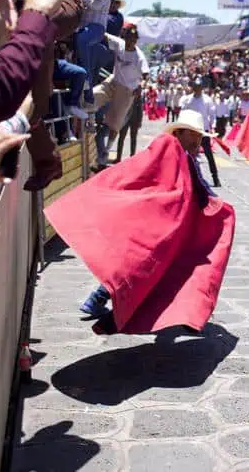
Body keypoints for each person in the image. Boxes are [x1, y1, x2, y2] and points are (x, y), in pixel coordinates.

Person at [76, 109, 225, 322]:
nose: (197, 140)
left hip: (146, 216)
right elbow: (202, 192)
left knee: (131, 262)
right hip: (159, 222)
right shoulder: (180, 156)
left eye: (200, 135)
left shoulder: (160, 149)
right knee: (142, 265)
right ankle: (108, 303)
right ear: (180, 134)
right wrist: (218, 206)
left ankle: (99, 300)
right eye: (193, 134)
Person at [90, 23, 148, 168]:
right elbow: (104, 35)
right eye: (129, 39)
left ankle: (106, 152)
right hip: (113, 81)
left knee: (114, 124)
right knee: (91, 96)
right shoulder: (119, 44)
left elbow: (146, 75)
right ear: (125, 37)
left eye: (134, 40)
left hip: (127, 91)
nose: (131, 42)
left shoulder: (139, 57)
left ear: (136, 40)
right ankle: (88, 123)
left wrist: (141, 86)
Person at [180, 78, 220, 187]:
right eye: (195, 88)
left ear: (202, 88)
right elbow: (183, 112)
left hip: (203, 130)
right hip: (191, 129)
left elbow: (212, 114)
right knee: (187, 153)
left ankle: (215, 177)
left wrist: (213, 125)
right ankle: (186, 177)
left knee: (208, 154)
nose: (197, 90)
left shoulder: (207, 100)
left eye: (199, 88)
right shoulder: (188, 100)